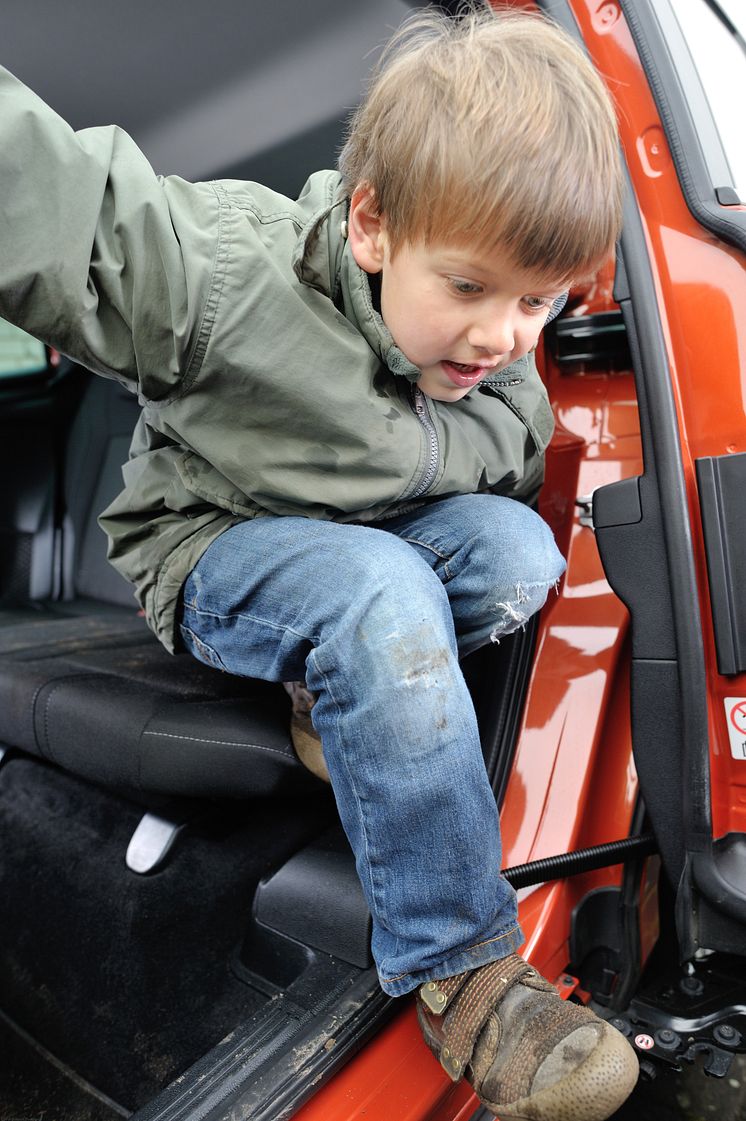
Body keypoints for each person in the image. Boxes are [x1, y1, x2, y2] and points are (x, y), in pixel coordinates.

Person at [0, 5, 638, 1117]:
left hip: (357, 568)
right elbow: (69, 212)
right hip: (212, 557)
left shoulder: (506, 373)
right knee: (376, 586)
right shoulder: (223, 276)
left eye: (538, 301)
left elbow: (485, 503)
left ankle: (325, 683)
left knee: (513, 551)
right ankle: (464, 971)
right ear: (372, 226)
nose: (501, 337)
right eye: (471, 286)